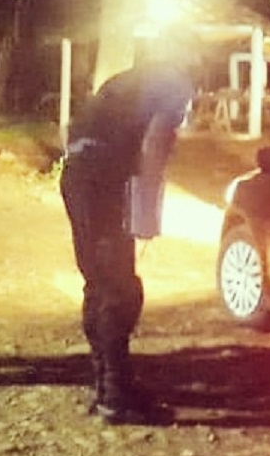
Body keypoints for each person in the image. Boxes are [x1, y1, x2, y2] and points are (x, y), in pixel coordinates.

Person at [60, 33, 197, 425]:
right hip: (106, 180)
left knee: (98, 281)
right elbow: (155, 143)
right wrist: (147, 214)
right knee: (120, 288)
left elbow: (74, 128)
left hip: (76, 175)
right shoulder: (174, 84)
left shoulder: (122, 80)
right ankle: (116, 397)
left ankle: (107, 384)